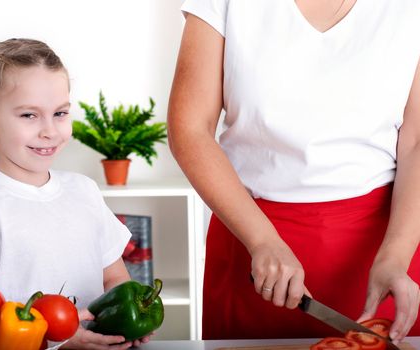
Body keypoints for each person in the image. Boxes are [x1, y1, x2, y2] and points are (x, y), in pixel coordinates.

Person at [168, 0, 420, 344]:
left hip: (384, 251)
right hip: (250, 242)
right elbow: (190, 128)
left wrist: (395, 256)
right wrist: (263, 240)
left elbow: (416, 141)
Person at [0, 38, 150, 349]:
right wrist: (58, 340)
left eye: (60, 113)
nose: (49, 130)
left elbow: (115, 279)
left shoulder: (84, 190)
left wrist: (131, 318)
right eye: (29, 115)